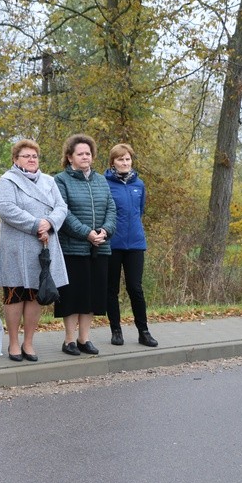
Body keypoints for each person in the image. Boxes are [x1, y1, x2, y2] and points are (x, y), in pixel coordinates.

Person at [0, 139, 69, 362]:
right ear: (16, 160)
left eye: (34, 156)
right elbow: (5, 208)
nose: (31, 159)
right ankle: (14, 343)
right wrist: (36, 224)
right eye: (26, 156)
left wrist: (50, 222)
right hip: (16, 246)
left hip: (43, 245)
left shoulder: (48, 181)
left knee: (37, 295)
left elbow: (62, 207)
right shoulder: (7, 180)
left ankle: (29, 342)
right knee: (15, 295)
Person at [54, 134, 116, 356]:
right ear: (70, 157)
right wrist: (86, 233)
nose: (85, 157)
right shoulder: (60, 181)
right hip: (73, 248)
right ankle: (69, 340)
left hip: (99, 248)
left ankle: (84, 339)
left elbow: (111, 208)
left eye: (88, 153)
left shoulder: (101, 181)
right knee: (72, 296)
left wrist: (104, 232)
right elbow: (64, 213)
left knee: (92, 296)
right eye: (80, 153)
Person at [104, 144, 158, 347]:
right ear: (113, 163)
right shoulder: (105, 184)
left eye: (127, 159)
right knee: (111, 289)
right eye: (120, 160)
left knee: (135, 288)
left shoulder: (139, 185)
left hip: (135, 243)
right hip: (112, 244)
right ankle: (115, 330)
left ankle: (143, 332)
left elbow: (139, 211)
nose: (125, 163)